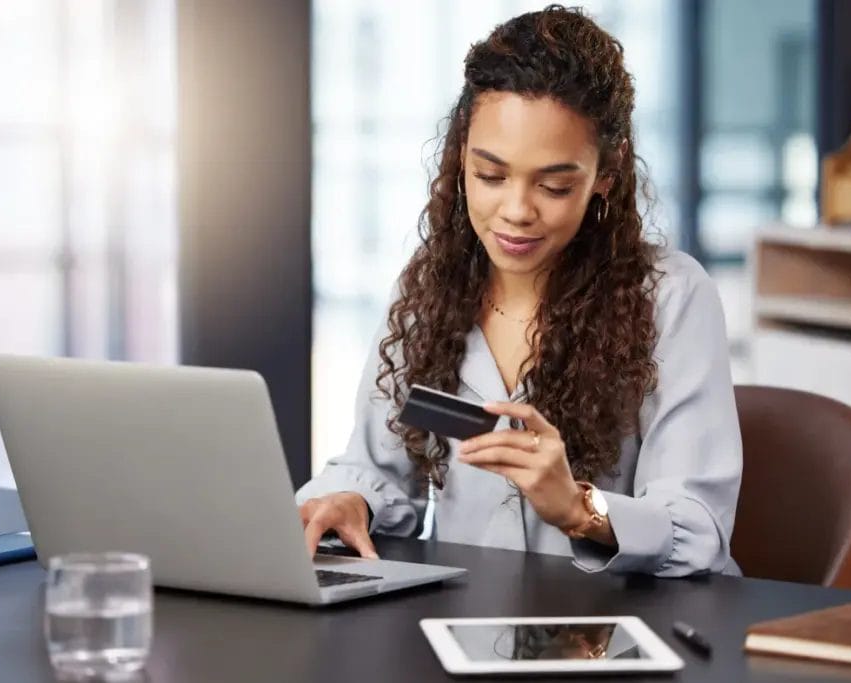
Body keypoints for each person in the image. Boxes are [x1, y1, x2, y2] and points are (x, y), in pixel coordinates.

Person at [296, 4, 742, 577]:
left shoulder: (672, 298)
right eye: (490, 175)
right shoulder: (431, 288)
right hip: (466, 623)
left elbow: (699, 526)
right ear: (461, 160)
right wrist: (349, 501)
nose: (515, 212)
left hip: (621, 636)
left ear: (607, 173)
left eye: (555, 185)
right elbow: (376, 471)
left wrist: (582, 509)